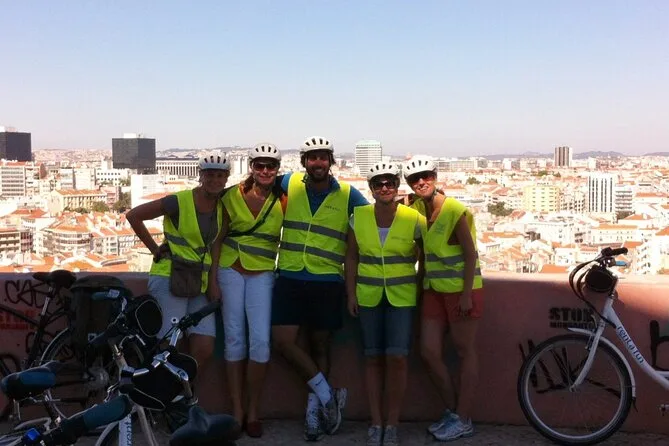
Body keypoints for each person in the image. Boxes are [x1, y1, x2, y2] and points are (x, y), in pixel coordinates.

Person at [271, 136, 368, 441]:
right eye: (312, 157)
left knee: (320, 346)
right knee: (283, 341)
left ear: (331, 161)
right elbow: (255, 186)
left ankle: (313, 411)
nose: (318, 163)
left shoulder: (349, 195)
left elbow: (373, 218)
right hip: (290, 275)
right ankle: (328, 396)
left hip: (327, 280)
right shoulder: (289, 183)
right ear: (304, 162)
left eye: (323, 157)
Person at [402, 155, 483, 441]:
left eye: (426, 176)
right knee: (428, 351)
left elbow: (470, 254)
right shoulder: (418, 210)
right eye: (415, 179)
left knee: (465, 352)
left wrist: (466, 295)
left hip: (461, 291)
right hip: (433, 290)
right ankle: (454, 411)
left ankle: (463, 418)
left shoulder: (453, 210)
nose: (421, 182)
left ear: (435, 177)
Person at [345, 162, 425, 446]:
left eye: (389, 182)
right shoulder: (358, 216)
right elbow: (351, 257)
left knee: (398, 359)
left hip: (401, 297)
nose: (385, 188)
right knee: (372, 358)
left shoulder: (413, 218)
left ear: (397, 185)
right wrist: (351, 294)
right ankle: (376, 422)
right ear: (371, 188)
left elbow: (424, 258)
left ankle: (392, 423)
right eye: (378, 183)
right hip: (368, 296)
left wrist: (420, 290)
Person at [208, 143, 285, 438]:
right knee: (234, 338)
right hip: (230, 269)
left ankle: (254, 409)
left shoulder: (283, 199)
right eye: (259, 165)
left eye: (270, 166)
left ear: (277, 169)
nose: (265, 171)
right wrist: (213, 279)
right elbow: (217, 239)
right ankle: (238, 409)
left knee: (261, 342)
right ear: (251, 167)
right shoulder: (230, 196)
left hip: (262, 272)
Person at [127, 153, 229, 372]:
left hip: (199, 282)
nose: (215, 180)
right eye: (210, 175)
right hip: (170, 276)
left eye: (220, 176)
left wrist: (213, 283)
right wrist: (154, 249)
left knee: (204, 346)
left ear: (226, 178)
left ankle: (183, 389)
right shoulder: (179, 201)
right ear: (201, 175)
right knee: (167, 344)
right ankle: (160, 391)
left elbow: (215, 246)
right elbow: (134, 215)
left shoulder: (221, 208)